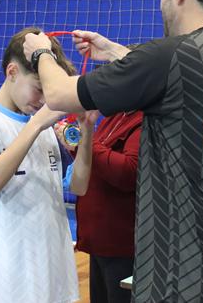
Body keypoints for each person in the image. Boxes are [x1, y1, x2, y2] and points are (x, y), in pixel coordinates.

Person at [23, 0, 203, 302]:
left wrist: (41, 53)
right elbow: (185, 80)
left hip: (183, 280)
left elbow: (58, 95)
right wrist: (113, 51)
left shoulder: (166, 56)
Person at [0, 27, 95, 303]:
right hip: (6, 284)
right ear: (12, 72)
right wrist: (36, 125)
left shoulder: (45, 126)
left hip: (55, 276)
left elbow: (79, 186)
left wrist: (88, 130)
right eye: (39, 89)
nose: (45, 100)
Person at [60, 105, 143, 303]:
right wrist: (76, 142)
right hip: (99, 240)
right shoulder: (115, 116)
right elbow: (95, 161)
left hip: (121, 244)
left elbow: (128, 172)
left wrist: (83, 140)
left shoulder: (144, 121)